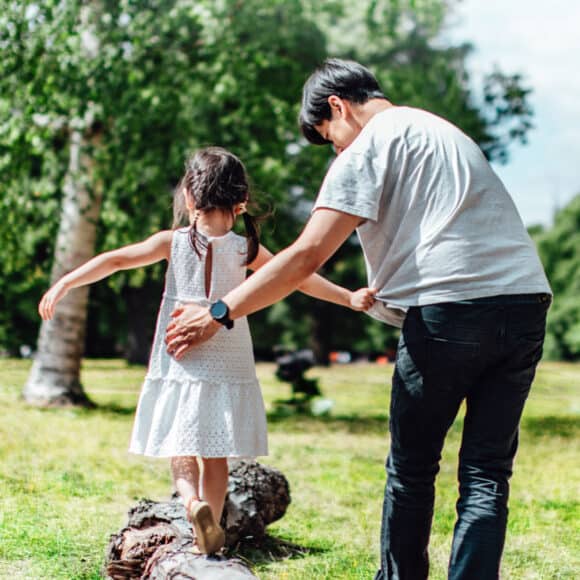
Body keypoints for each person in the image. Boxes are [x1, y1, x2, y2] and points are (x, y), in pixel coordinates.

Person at [164, 61, 552, 578]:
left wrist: (219, 312)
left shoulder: (368, 147)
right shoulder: (444, 131)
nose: (337, 151)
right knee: (487, 474)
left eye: (330, 139)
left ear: (337, 108)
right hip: (526, 300)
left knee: (412, 470)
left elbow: (305, 256)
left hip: (449, 310)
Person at [38, 146, 376, 555]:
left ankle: (191, 503)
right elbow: (299, 277)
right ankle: (209, 531)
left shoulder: (173, 242)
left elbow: (114, 261)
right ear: (242, 202)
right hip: (228, 357)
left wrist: (65, 282)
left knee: (182, 450)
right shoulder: (246, 249)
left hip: (180, 354)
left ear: (189, 199)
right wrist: (348, 297)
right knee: (216, 455)